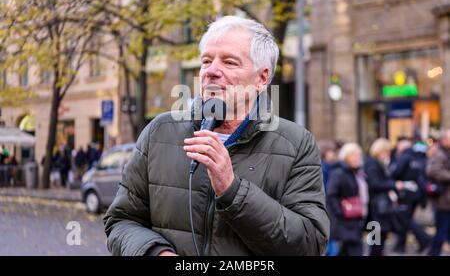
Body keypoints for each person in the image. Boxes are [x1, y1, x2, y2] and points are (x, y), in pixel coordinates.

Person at [103, 15, 329, 256]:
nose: (211, 71)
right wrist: (154, 252)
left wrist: (231, 190)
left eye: (229, 62)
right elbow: (120, 221)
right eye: (206, 61)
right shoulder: (160, 131)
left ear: (262, 78)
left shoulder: (296, 143)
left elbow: (310, 244)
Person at [364, 138, 405, 256]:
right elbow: (374, 183)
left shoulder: (378, 163)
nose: (387, 155)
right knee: (376, 241)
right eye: (386, 152)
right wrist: (394, 185)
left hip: (380, 208)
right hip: (376, 209)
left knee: (379, 240)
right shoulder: (373, 163)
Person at [327, 143, 368, 256]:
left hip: (355, 219)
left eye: (358, 156)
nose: (357, 158)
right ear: (346, 157)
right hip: (345, 220)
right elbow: (331, 195)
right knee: (355, 250)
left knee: (346, 250)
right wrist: (341, 212)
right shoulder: (339, 173)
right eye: (354, 156)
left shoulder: (357, 173)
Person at [391, 140, 431, 253]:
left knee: (405, 219)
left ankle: (424, 239)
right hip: (416, 194)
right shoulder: (418, 158)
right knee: (405, 219)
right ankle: (400, 246)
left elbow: (396, 173)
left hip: (405, 193)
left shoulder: (405, 157)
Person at [426, 129, 450, 256]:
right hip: (442, 201)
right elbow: (433, 171)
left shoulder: (445, 153)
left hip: (446, 200)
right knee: (441, 231)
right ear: (444, 139)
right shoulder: (439, 154)